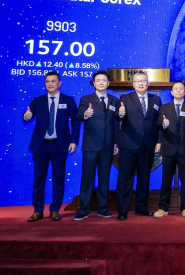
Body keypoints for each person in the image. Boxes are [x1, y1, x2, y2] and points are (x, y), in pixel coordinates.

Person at [23, 71, 79, 222]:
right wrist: (26, 116)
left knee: (58, 179)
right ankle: (38, 211)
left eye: (53, 81)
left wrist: (73, 141)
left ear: (59, 83)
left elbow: (75, 121)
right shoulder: (38, 100)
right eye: (47, 81)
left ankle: (55, 210)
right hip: (40, 146)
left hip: (60, 146)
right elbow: (27, 115)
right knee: (38, 179)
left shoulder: (68, 100)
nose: (50, 84)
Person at [116, 71, 162, 221]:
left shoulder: (156, 99)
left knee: (144, 178)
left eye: (144, 81)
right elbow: (118, 117)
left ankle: (141, 208)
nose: (141, 83)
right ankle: (122, 211)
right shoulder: (125, 98)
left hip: (148, 145)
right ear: (133, 84)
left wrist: (159, 141)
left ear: (148, 83)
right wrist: (120, 114)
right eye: (138, 81)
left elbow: (159, 122)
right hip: (129, 144)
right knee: (125, 178)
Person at [74, 70, 119, 221]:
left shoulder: (114, 100)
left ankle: (103, 208)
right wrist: (85, 114)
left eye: (104, 80)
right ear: (93, 83)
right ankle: (83, 209)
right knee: (87, 178)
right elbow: (78, 116)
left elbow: (116, 123)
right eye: (98, 80)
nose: (101, 82)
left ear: (108, 83)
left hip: (108, 145)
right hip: (91, 145)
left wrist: (116, 142)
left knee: (104, 178)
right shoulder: (86, 99)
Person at [154, 81, 185, 219]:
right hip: (168, 147)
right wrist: (163, 124)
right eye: (176, 89)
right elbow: (158, 125)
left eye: (181, 89)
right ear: (171, 92)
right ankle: (163, 207)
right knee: (166, 179)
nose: (178, 91)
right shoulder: (164, 107)